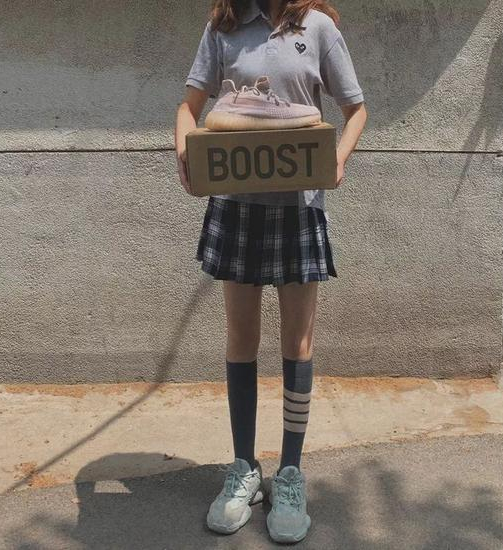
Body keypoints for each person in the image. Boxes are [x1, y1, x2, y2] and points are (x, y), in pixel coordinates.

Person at [175, 0, 367, 543]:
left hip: (298, 207)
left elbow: (356, 109)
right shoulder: (224, 25)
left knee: (298, 344)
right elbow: (189, 106)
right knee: (241, 340)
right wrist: (185, 149)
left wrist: (339, 158)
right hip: (236, 206)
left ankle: (289, 473)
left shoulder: (318, 27)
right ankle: (243, 468)